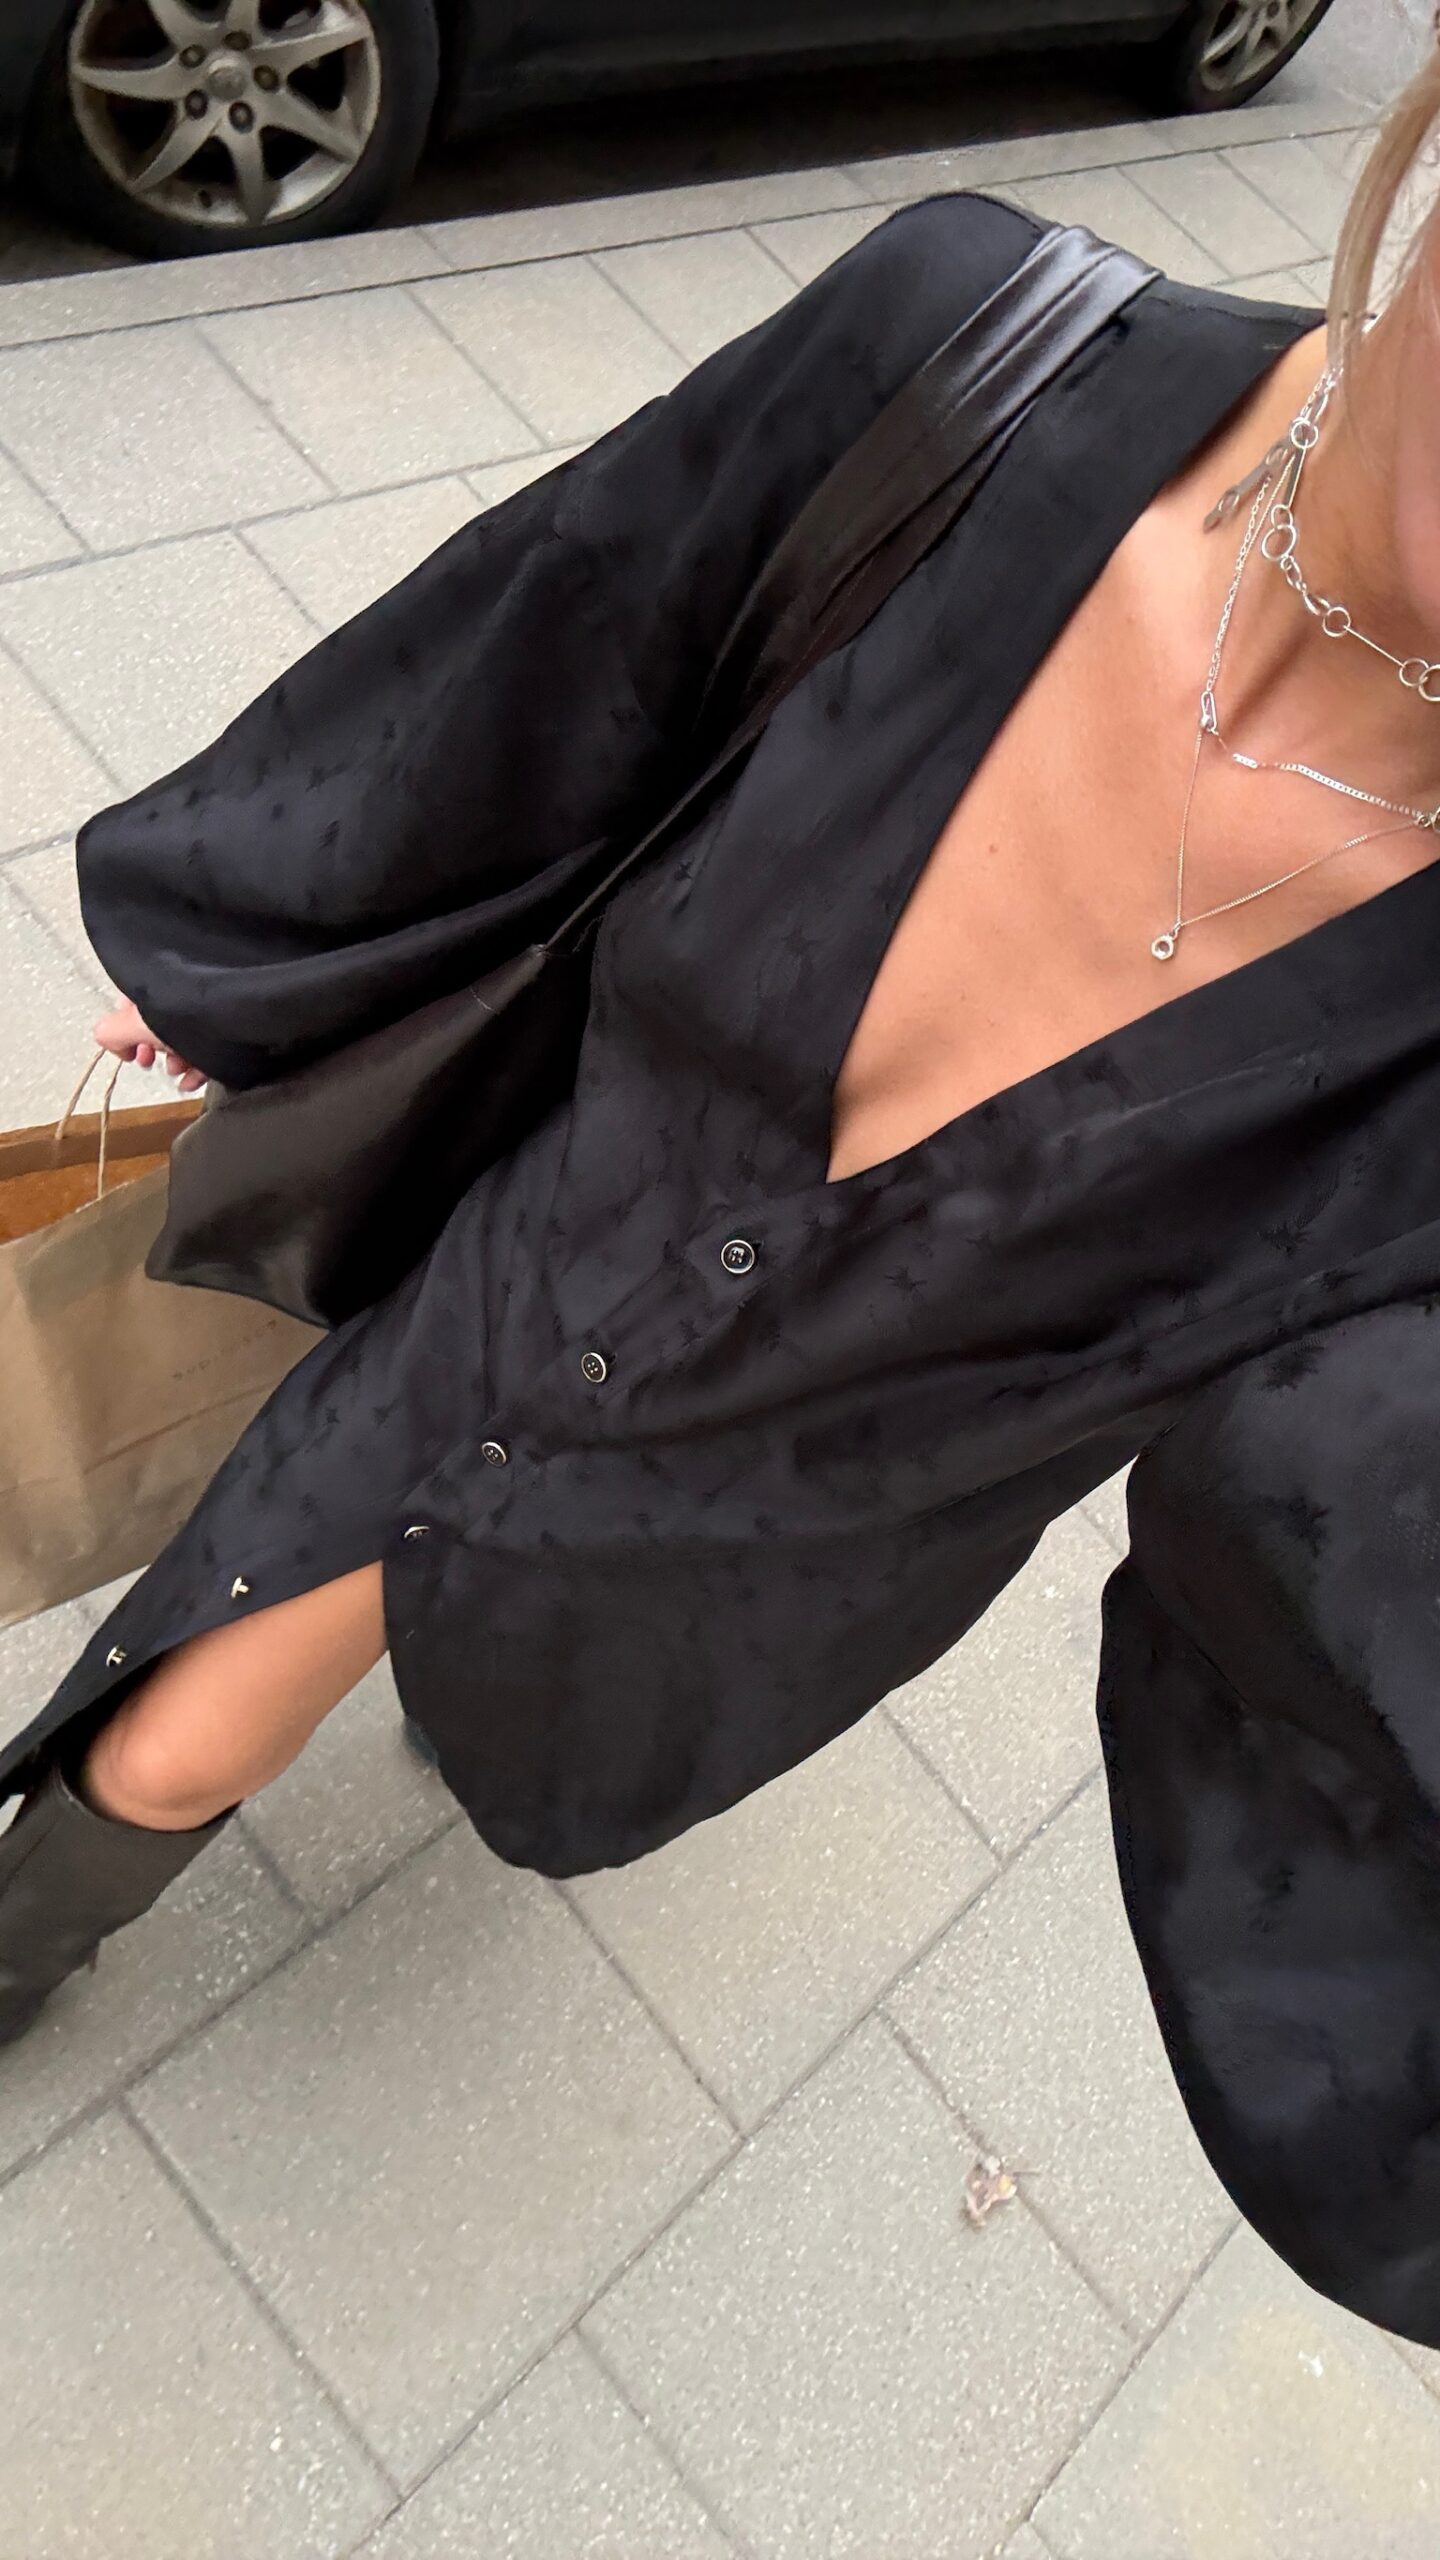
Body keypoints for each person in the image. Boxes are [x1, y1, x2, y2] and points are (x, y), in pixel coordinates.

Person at [4, 44, 1440, 2350]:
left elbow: (1355, 1560)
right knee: (177, 1719)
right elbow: (554, 644)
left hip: (757, 1546)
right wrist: (257, 953)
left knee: (513, 1710)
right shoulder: (980, 356)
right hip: (524, 1236)